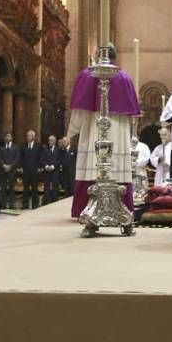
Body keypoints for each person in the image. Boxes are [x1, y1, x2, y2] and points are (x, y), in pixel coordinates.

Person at [67, 43, 141, 217]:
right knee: (117, 166)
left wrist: (71, 132)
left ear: (97, 55)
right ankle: (121, 207)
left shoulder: (89, 74)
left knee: (93, 163)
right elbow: (131, 117)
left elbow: (80, 110)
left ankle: (86, 207)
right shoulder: (125, 78)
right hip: (120, 130)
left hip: (95, 126)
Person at [0, 133, 20, 208]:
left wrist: (11, 166)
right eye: (6, 136)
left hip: (12, 170)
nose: (8, 137)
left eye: (9, 136)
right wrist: (3, 165)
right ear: (5, 138)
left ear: (12, 138)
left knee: (11, 187)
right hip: (2, 170)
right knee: (3, 188)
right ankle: (3, 204)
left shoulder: (16, 147)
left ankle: (11, 204)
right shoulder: (1, 146)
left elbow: (17, 158)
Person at [20, 130, 42, 209]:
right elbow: (21, 157)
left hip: (34, 170)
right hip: (25, 170)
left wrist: (40, 167)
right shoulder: (23, 146)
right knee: (25, 188)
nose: (28, 137)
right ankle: (25, 204)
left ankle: (35, 204)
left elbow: (40, 158)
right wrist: (21, 167)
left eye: (29, 136)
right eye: (27, 135)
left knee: (34, 188)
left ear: (33, 137)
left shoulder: (38, 146)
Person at [41, 135, 62, 205]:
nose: (50, 142)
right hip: (47, 171)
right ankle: (47, 202)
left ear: (55, 141)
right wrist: (46, 166)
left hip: (55, 171)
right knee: (46, 187)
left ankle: (54, 202)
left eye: (51, 140)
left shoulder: (58, 150)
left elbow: (59, 160)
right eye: (49, 140)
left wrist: (53, 166)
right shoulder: (45, 149)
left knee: (55, 187)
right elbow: (42, 159)